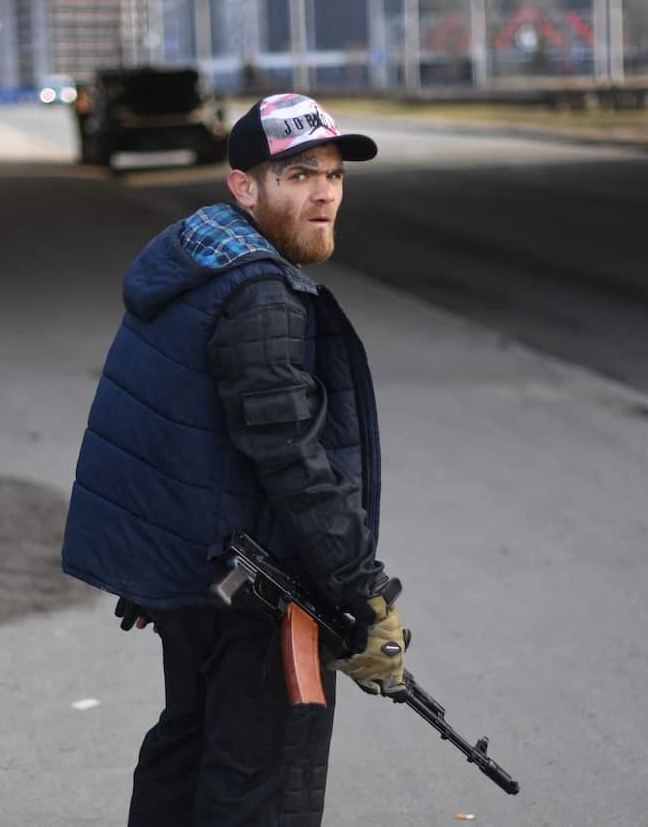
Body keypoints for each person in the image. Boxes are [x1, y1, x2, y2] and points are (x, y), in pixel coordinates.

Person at [60, 93, 407, 827]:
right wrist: (365, 594)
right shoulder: (259, 296)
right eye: (298, 173)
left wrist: (156, 571)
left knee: (187, 753)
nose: (324, 193)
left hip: (200, 580)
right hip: (254, 594)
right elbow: (292, 457)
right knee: (261, 787)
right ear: (244, 187)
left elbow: (168, 426)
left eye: (335, 175)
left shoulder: (198, 266)